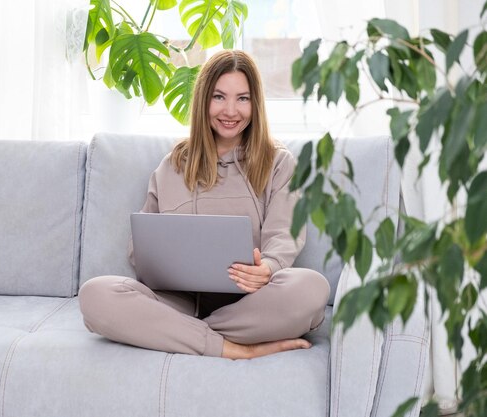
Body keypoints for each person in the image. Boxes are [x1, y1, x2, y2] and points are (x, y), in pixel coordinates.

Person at [79, 50, 330, 360]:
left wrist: (267, 268)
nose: (230, 110)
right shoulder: (173, 165)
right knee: (95, 294)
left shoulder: (278, 162)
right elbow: (141, 244)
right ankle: (231, 348)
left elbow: (284, 235)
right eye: (219, 97)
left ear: (256, 104)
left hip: (249, 303)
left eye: (243, 98)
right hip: (176, 301)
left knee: (311, 288)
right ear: (203, 101)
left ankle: (176, 334)